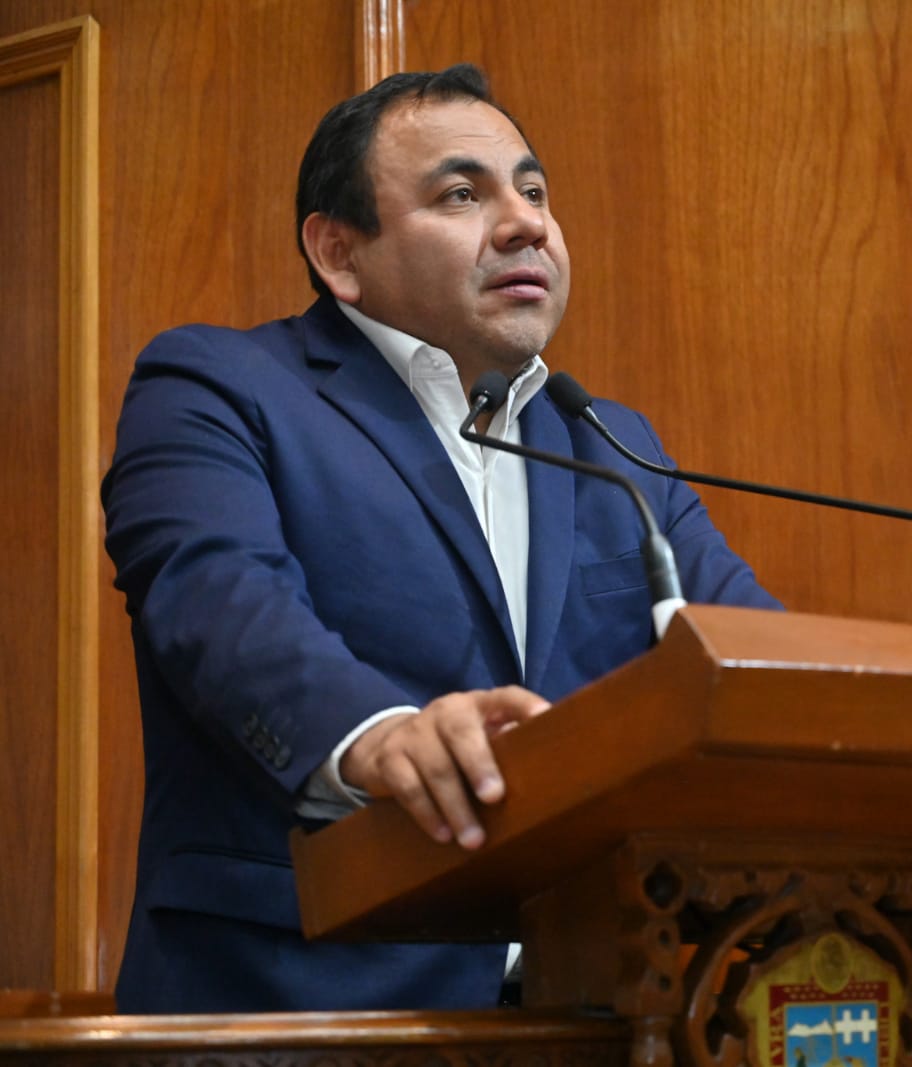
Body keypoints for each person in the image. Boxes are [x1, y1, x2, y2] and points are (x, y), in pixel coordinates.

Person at [102, 64, 779, 1014]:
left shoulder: (609, 442)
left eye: (534, 192)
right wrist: (381, 735)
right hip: (300, 998)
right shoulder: (220, 386)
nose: (526, 223)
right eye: (463, 194)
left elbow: (755, 653)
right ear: (339, 251)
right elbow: (217, 602)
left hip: (586, 1010)